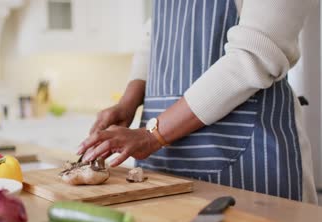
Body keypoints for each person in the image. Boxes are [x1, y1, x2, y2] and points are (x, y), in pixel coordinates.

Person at [78, 0, 318, 203]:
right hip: (163, 162)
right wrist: (128, 101)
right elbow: (157, 32)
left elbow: (257, 53)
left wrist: (153, 135)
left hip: (250, 167)